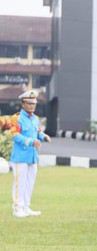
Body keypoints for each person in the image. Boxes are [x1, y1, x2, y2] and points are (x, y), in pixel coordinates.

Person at [10, 90, 50, 218]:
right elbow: (15, 135)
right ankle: (17, 208)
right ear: (23, 104)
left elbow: (39, 132)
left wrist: (44, 137)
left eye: (34, 103)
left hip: (32, 157)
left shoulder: (36, 119)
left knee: (29, 183)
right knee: (19, 183)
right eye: (29, 103)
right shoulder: (17, 118)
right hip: (20, 156)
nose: (32, 106)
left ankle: (26, 207)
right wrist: (31, 141)